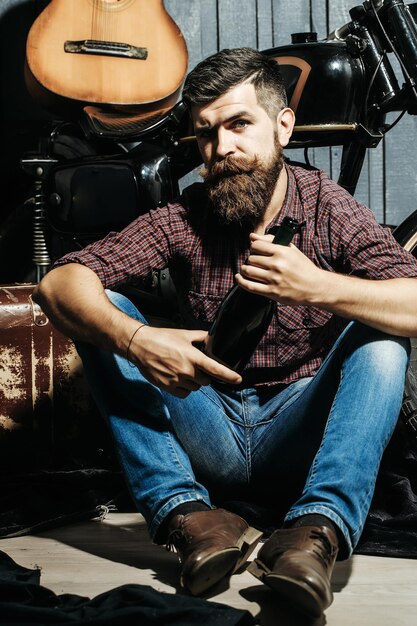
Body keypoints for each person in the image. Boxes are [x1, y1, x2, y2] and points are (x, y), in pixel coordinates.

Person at [34, 47, 417, 617]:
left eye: (240, 125)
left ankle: (316, 532)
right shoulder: (187, 215)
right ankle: (193, 519)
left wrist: (320, 287)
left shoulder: (329, 209)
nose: (223, 149)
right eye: (207, 134)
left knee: (383, 339)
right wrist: (137, 340)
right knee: (102, 309)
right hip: (207, 419)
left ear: (282, 126)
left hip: (300, 431)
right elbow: (57, 285)